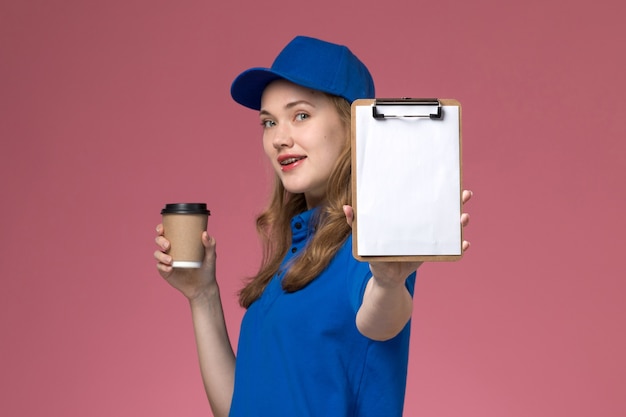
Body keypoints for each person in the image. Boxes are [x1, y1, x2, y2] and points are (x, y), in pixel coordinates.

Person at [154, 35, 472, 417]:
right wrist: (202, 296)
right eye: (268, 122)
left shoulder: (371, 239)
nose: (279, 138)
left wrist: (389, 281)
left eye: (300, 115)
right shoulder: (297, 254)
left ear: (353, 125)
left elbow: (382, 321)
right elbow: (239, 409)